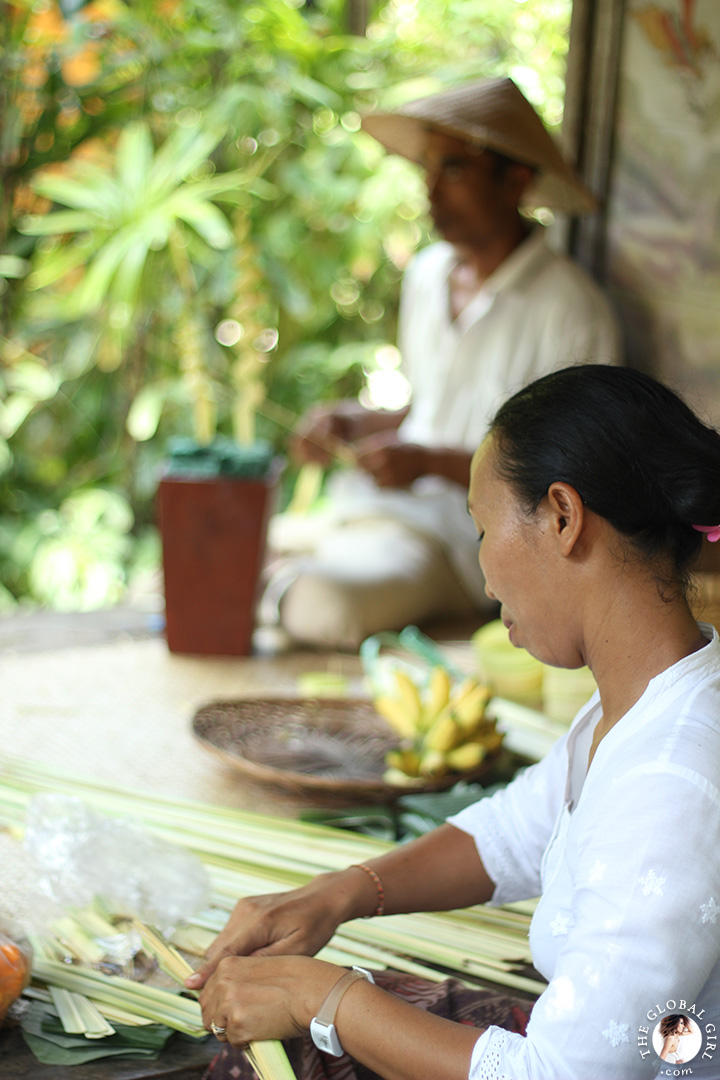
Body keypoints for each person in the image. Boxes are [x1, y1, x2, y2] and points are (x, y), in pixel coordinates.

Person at [187, 364, 720, 1079]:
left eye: (481, 529)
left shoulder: (673, 779)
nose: (484, 573)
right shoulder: (650, 696)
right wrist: (336, 894)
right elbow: (511, 834)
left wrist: (328, 996)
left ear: (563, 517)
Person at [270, 77, 621, 650]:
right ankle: (277, 580)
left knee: (326, 607)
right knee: (226, 543)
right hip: (384, 513)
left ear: (517, 179)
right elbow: (432, 407)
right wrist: (352, 423)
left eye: (454, 170)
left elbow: (572, 478)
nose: (432, 191)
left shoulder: (573, 310)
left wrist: (432, 463)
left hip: (467, 542)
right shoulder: (427, 275)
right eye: (427, 171)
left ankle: (278, 587)